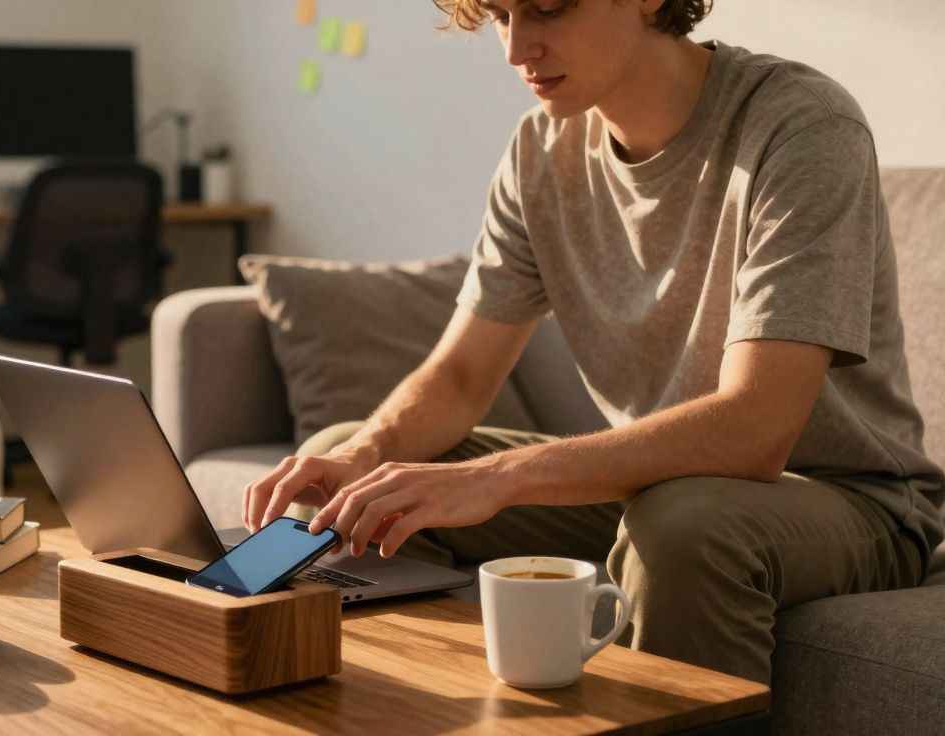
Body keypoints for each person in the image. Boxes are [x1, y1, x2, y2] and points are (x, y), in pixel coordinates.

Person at [242, 0, 944, 684]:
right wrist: (366, 451)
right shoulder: (539, 151)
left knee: (684, 526)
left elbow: (756, 429)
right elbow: (459, 377)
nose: (517, 50)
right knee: (357, 471)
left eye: (548, 10)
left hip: (848, 501)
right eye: (500, 17)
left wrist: (493, 480)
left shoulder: (802, 126)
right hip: (654, 488)